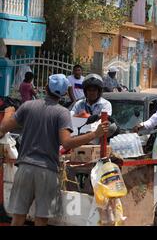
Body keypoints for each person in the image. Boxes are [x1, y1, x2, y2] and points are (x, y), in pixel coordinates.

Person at [0, 74, 109, 226]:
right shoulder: (62, 113)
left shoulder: (28, 106)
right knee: (41, 220)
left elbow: (3, 129)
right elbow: (67, 142)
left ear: (45, 88)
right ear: (64, 93)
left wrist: (8, 112)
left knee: (18, 218)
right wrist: (94, 134)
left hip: (24, 168)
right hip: (47, 171)